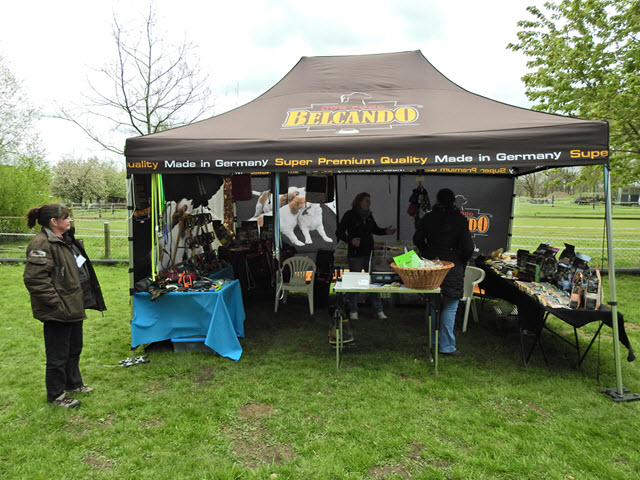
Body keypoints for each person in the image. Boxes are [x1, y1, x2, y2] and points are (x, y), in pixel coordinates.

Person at [23, 203, 106, 408]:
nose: (69, 220)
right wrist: (56, 304)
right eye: (66, 217)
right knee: (57, 355)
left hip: (74, 305)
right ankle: (56, 395)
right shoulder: (41, 244)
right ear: (54, 221)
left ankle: (73, 384)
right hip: (58, 310)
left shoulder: (65, 240)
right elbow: (35, 280)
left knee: (74, 348)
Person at [413, 188, 474, 357]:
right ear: (453, 200)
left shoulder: (428, 217)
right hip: (452, 266)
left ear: (437, 199)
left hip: (432, 264)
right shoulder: (460, 220)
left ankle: (432, 341)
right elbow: (468, 247)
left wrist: (428, 253)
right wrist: (460, 259)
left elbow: (417, 239)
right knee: (450, 305)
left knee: (432, 303)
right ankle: (446, 346)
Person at [336, 192, 396, 321]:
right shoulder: (350, 215)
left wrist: (385, 231)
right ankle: (353, 310)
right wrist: (350, 240)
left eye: (369, 201)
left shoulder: (369, 216)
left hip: (369, 253)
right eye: (367, 201)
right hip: (355, 254)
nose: (369, 203)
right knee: (355, 282)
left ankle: (379, 310)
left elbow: (375, 229)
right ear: (359, 202)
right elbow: (339, 232)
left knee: (372, 281)